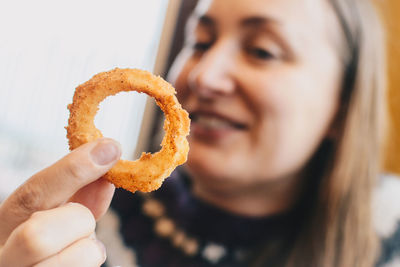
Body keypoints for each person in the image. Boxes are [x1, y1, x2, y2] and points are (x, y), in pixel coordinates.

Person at [0, 0, 399, 266]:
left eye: (262, 50)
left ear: (342, 107)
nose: (204, 76)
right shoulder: (74, 231)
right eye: (200, 41)